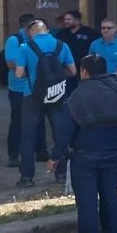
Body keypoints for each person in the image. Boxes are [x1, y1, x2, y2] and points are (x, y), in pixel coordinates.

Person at [48, 54, 117, 233]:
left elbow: (65, 132)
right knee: (111, 196)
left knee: (87, 202)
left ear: (84, 72)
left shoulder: (77, 96)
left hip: (85, 155)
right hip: (112, 151)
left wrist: (55, 157)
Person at [14, 19, 77, 187]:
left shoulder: (25, 47)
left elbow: (19, 74)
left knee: (28, 137)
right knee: (59, 134)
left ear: (31, 32)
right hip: (56, 96)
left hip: (32, 97)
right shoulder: (62, 45)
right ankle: (61, 174)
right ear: (47, 30)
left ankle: (26, 178)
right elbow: (73, 71)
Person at [4, 13, 48, 168]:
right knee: (18, 120)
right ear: (27, 27)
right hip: (19, 88)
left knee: (40, 120)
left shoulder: (38, 41)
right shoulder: (15, 40)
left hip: (37, 87)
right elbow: (10, 63)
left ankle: (41, 150)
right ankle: (14, 154)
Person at [55, 10, 98, 98]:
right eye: (65, 19)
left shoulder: (89, 33)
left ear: (77, 20)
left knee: (83, 95)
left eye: (69, 19)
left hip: (83, 69)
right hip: (66, 70)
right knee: (67, 95)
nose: (66, 21)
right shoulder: (61, 34)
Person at [89, 19, 117, 85]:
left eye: (109, 28)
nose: (105, 30)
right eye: (103, 28)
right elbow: (91, 61)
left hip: (116, 80)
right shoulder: (94, 44)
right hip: (98, 81)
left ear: (115, 29)